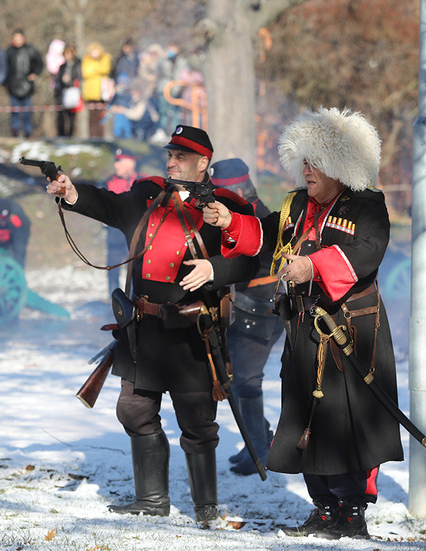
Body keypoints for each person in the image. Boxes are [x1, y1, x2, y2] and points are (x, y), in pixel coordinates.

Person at [44, 125, 261, 524]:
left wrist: (216, 267)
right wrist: (71, 193)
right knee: (132, 410)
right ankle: (152, 500)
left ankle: (206, 507)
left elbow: (251, 259)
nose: (171, 160)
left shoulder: (225, 206)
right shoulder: (148, 195)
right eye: (170, 153)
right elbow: (109, 206)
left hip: (192, 332)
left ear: (203, 163)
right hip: (143, 328)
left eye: (181, 155)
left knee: (197, 423)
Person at [209, 107, 402, 539]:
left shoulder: (367, 204)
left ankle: (352, 513)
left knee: (345, 421)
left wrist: (313, 267)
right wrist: (230, 223)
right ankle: (325, 507)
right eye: (304, 161)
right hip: (302, 332)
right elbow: (266, 235)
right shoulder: (297, 203)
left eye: (316, 161)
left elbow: (368, 251)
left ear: (339, 163)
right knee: (303, 417)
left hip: (349, 335)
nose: (307, 170)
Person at [206, 159, 284, 476]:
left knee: (246, 381)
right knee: (235, 379)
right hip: (241, 308)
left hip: (261, 310)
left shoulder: (258, 217)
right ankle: (258, 440)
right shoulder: (241, 214)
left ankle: (260, 449)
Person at [102, 148, 142, 295]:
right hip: (115, 233)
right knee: (112, 268)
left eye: (119, 162)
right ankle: (114, 301)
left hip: (136, 233)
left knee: (135, 269)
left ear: (130, 163)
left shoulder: (143, 181)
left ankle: (135, 300)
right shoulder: (109, 182)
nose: (116, 166)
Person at [4, 29, 43, 138]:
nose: (17, 41)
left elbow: (39, 64)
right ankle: (15, 131)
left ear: (23, 38)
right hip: (13, 85)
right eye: (15, 38)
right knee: (14, 111)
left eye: (19, 38)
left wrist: (34, 74)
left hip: (27, 85)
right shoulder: (9, 51)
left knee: (27, 111)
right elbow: (5, 68)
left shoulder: (31, 50)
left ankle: (28, 132)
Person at [81, 42, 112, 138]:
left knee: (101, 117)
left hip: (102, 93)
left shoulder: (105, 58)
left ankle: (100, 137)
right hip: (90, 94)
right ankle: (92, 137)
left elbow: (105, 69)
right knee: (92, 117)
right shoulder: (86, 60)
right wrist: (97, 69)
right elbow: (86, 72)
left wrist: (93, 69)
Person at [54, 43, 82, 137]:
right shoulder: (62, 66)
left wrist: (70, 81)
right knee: (61, 115)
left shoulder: (78, 65)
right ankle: (61, 134)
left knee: (72, 116)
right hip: (62, 92)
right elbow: (58, 79)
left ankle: (71, 134)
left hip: (72, 92)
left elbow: (79, 78)